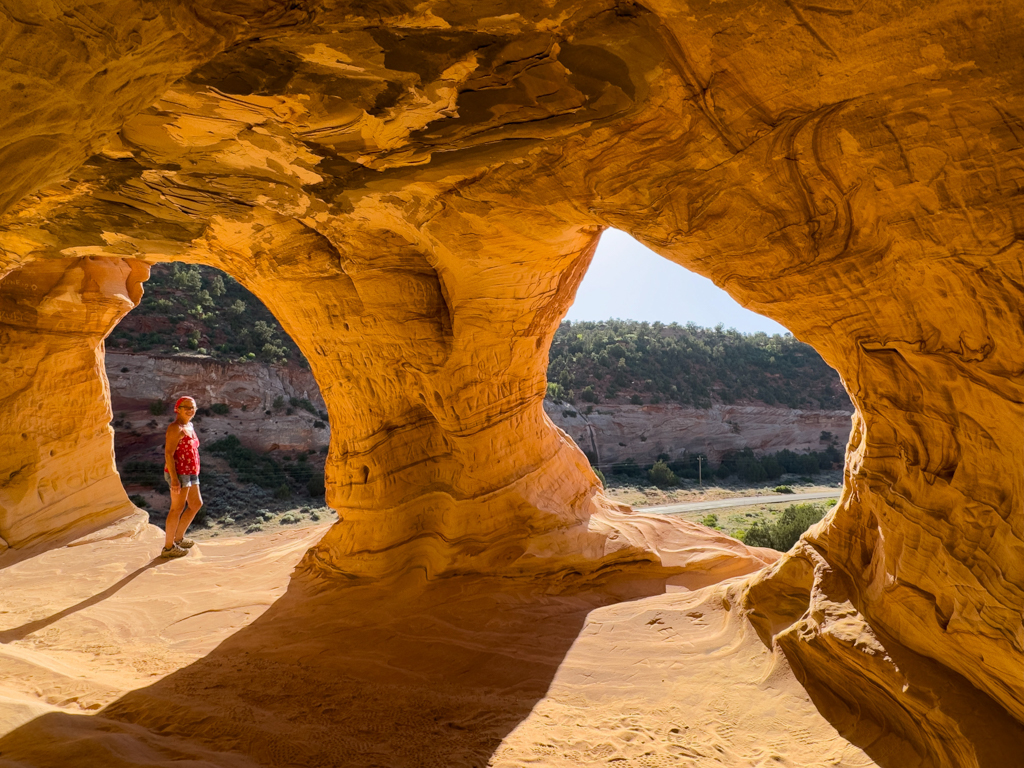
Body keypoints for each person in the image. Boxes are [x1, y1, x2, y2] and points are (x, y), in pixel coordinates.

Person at [161, 396, 203, 558]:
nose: (190, 410)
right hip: (179, 473)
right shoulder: (175, 428)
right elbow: (168, 454)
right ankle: (168, 547)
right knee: (176, 509)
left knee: (196, 504)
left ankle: (178, 538)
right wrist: (174, 479)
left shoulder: (189, 425)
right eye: (187, 407)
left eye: (193, 407)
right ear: (178, 409)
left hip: (192, 472)